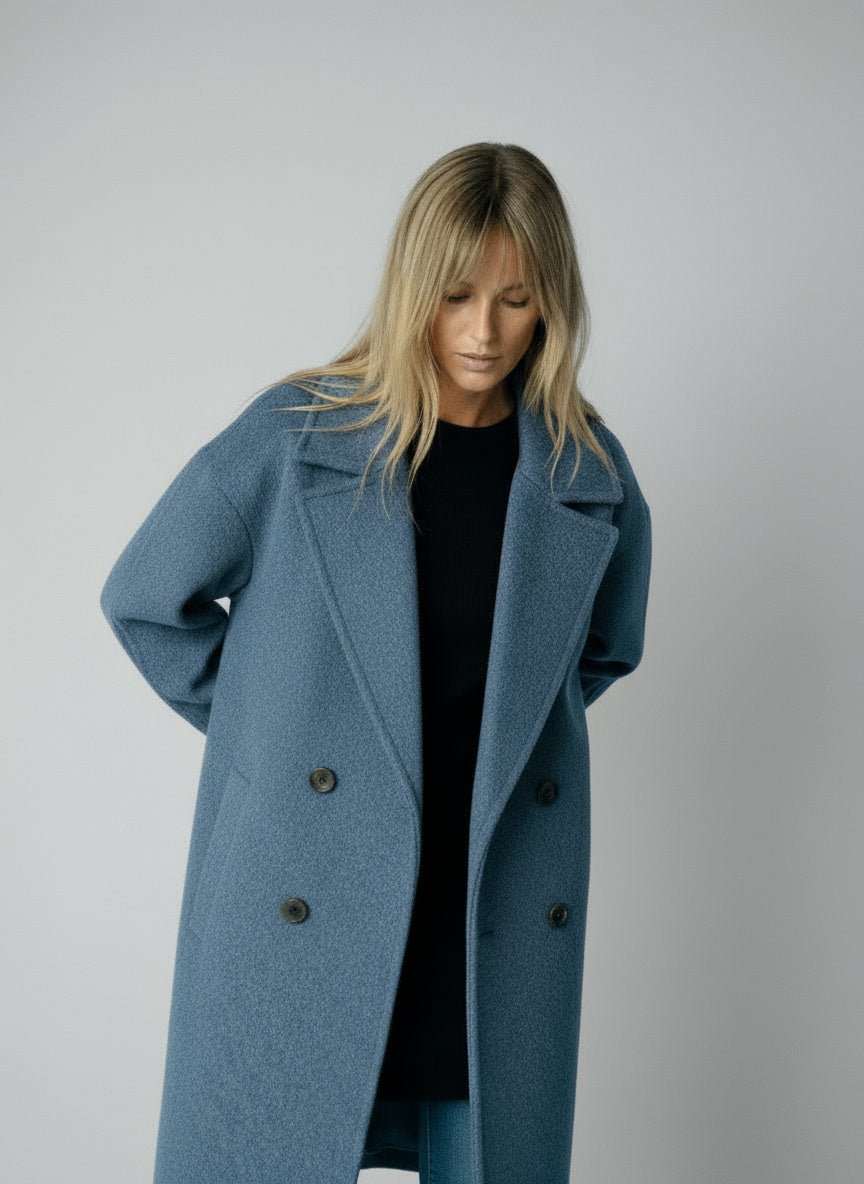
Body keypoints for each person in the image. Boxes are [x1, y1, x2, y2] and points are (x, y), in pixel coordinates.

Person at [99, 142, 652, 1184]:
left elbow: (605, 648)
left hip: (484, 895)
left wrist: (485, 744)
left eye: (516, 299)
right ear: (411, 289)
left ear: (553, 302)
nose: (483, 332)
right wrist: (288, 733)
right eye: (455, 296)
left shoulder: (586, 470)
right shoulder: (296, 438)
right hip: (310, 879)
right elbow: (145, 599)